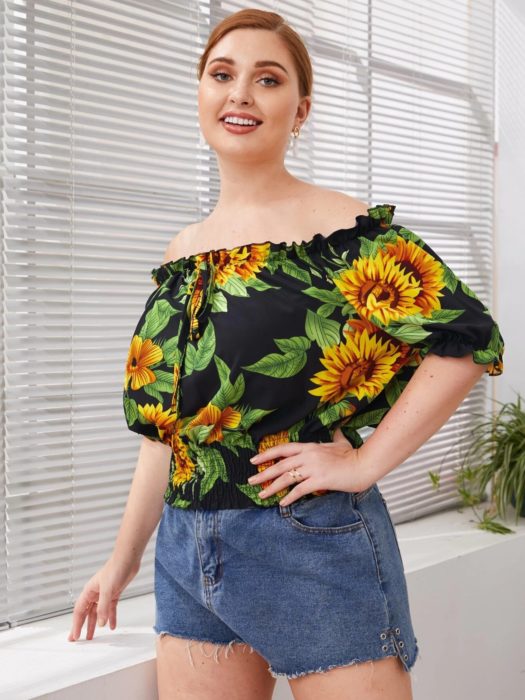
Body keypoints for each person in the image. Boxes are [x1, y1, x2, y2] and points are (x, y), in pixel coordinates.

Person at [67, 8, 504, 700]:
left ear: (299, 110)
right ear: (201, 93)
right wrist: (120, 564)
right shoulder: (181, 253)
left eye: (266, 80)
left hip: (309, 541)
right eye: (222, 74)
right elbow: (167, 434)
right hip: (186, 553)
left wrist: (363, 461)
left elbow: (466, 340)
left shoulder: (338, 230)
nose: (240, 93)